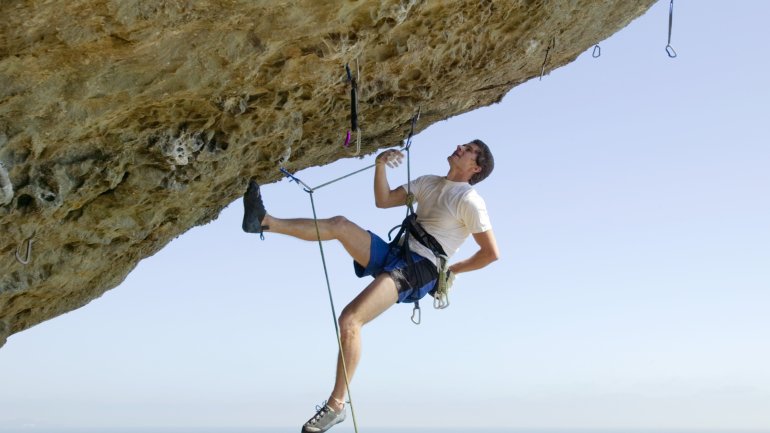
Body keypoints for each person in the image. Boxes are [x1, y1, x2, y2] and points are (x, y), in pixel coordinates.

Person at [242, 140, 500, 433]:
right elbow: (384, 200)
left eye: (468, 150)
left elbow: (490, 253)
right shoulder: (429, 181)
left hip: (420, 269)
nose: (459, 147)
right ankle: (263, 222)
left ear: (475, 168)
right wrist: (379, 165)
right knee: (340, 224)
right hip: (397, 252)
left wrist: (450, 270)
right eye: (462, 144)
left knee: (350, 320)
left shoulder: (470, 201)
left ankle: (336, 406)